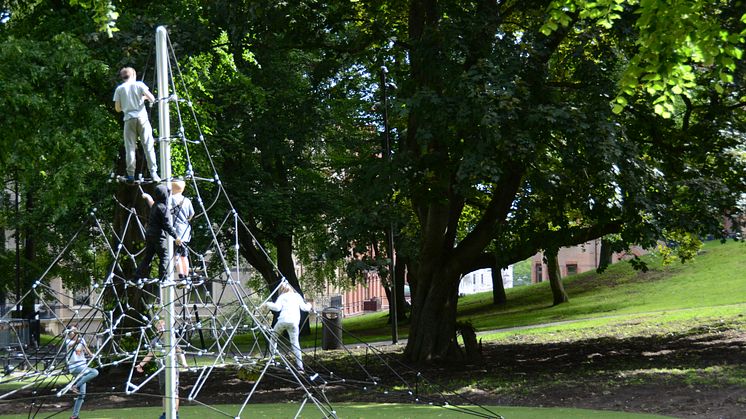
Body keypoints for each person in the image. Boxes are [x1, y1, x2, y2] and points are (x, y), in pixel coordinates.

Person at [113, 67, 160, 182]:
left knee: (130, 148)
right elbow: (152, 99)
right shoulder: (139, 84)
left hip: (129, 119)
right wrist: (143, 98)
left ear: (123, 77)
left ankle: (130, 175)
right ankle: (154, 174)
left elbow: (118, 109)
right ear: (133, 75)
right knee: (148, 145)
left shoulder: (119, 89)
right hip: (142, 118)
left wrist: (126, 105)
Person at [136, 319, 188, 419]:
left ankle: (175, 414)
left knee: (174, 392)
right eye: (159, 327)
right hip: (162, 370)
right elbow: (150, 354)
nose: (160, 328)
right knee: (164, 393)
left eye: (163, 326)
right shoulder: (155, 340)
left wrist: (184, 363)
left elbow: (179, 352)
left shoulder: (171, 339)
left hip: (172, 370)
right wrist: (141, 365)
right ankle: (165, 413)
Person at [261, 282, 312, 372]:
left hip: (282, 321)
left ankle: (272, 360)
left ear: (282, 289)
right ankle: (300, 366)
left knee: (273, 337)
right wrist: (309, 305)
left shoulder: (282, 296)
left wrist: (267, 304)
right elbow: (305, 308)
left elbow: (277, 308)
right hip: (293, 323)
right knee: (295, 344)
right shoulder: (297, 296)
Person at [136, 184, 182, 282]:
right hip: (158, 236)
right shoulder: (163, 208)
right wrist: (176, 237)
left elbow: (161, 216)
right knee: (164, 256)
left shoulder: (155, 206)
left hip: (150, 234)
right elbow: (167, 225)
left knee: (147, 257)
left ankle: (137, 276)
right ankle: (164, 279)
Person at [65, 327, 99, 419]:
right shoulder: (68, 342)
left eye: (76, 330)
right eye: (74, 331)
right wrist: (79, 338)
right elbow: (74, 344)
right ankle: (75, 386)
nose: (76, 331)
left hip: (83, 368)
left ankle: (74, 416)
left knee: (82, 395)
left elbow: (86, 349)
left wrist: (93, 355)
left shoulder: (81, 340)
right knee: (95, 372)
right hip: (75, 368)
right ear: (70, 333)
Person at [169, 180, 195, 282]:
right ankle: (186, 275)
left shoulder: (170, 199)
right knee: (184, 255)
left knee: (176, 255)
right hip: (185, 231)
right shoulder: (187, 200)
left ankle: (181, 275)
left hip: (175, 231)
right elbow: (191, 214)